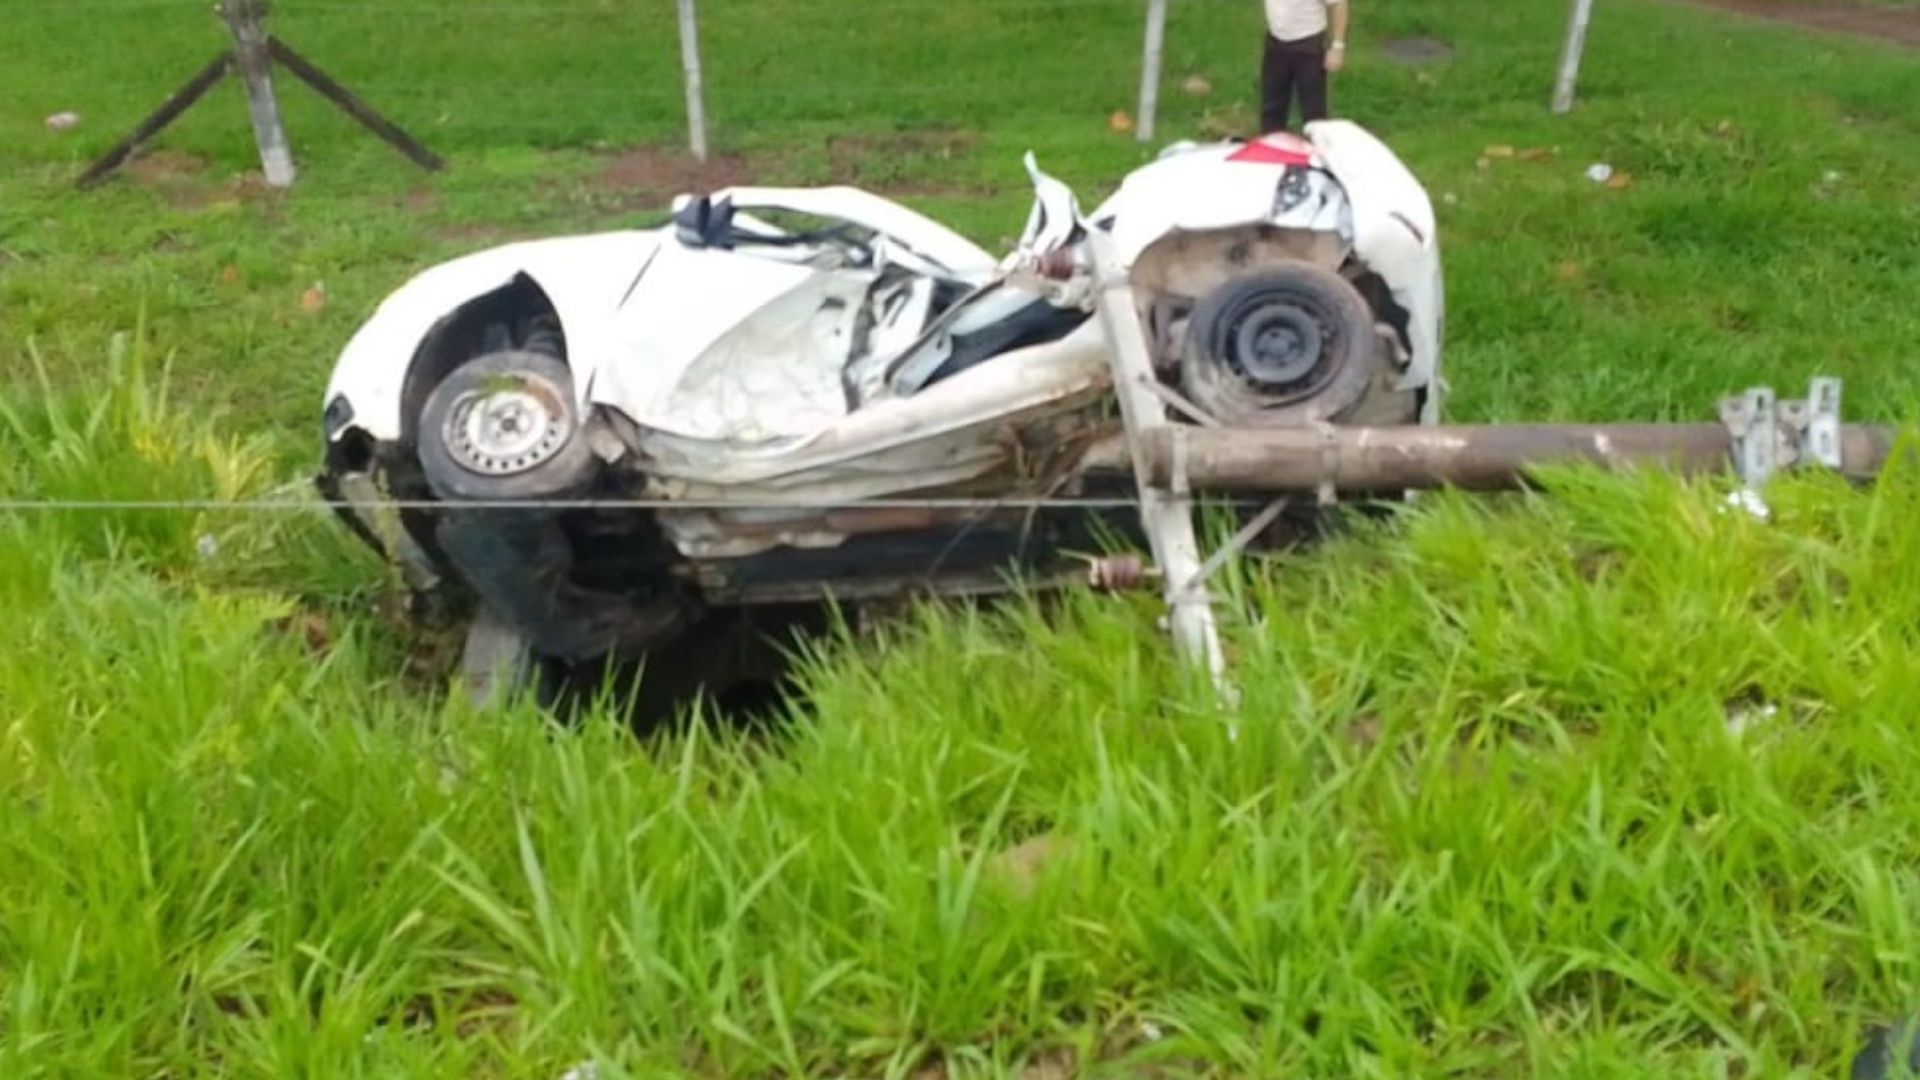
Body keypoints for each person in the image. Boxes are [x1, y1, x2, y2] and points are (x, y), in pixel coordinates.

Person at [1260, 0, 1347, 134]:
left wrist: (1337, 47)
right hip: (1275, 42)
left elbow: (1339, 4)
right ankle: (1272, 146)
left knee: (1313, 111)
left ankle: (1318, 148)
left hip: (1308, 45)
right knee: (1272, 106)